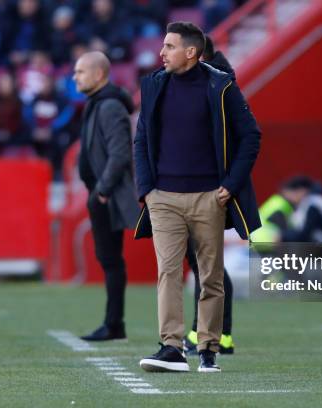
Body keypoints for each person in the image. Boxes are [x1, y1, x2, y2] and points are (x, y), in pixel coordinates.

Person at [134, 22, 261, 373]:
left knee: (210, 277)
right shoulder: (154, 85)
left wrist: (231, 185)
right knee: (168, 273)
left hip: (210, 197)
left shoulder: (221, 85)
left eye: (169, 46)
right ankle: (171, 348)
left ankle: (208, 350)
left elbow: (251, 136)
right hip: (163, 198)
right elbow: (141, 136)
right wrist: (147, 189)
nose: (161, 53)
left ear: (191, 52)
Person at [73, 51, 140, 341]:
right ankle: (114, 323)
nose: (75, 77)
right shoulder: (98, 103)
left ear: (99, 74)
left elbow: (120, 152)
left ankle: (114, 324)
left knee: (112, 260)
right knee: (109, 259)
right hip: (99, 193)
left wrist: (102, 189)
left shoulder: (109, 106)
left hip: (107, 195)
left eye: (80, 72)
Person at [182, 34, 236, 356]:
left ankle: (207, 333)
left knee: (206, 265)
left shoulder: (217, 90)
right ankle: (214, 333)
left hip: (206, 188)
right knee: (205, 264)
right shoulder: (217, 87)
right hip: (198, 186)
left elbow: (245, 138)